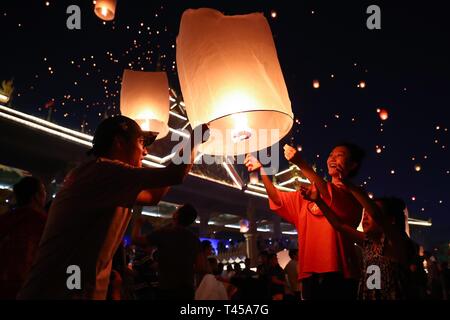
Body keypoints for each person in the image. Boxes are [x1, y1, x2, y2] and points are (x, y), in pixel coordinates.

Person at [17, 116, 208, 300]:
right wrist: (194, 140)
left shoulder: (107, 179)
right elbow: (173, 174)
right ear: (118, 143)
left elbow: (153, 195)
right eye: (142, 143)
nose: (146, 152)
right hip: (61, 291)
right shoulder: (103, 171)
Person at [245, 143, 365, 299]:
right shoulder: (307, 197)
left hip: (340, 272)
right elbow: (276, 198)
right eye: (330, 155)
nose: (332, 158)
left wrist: (300, 163)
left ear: (353, 164)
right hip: (310, 274)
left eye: (339, 155)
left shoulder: (353, 196)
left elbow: (329, 195)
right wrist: (262, 170)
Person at [300, 178, 416, 300]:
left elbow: (377, 215)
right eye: (364, 213)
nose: (365, 217)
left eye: (369, 213)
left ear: (390, 220)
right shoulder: (369, 244)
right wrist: (318, 201)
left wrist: (347, 183)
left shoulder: (396, 241)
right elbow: (339, 225)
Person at [132, 203, 205, 300]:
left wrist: (138, 224)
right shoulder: (195, 239)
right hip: (187, 290)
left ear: (176, 215)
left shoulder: (164, 233)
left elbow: (136, 240)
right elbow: (201, 267)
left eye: (177, 209)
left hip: (167, 288)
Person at [0, 176, 47, 299]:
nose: (45, 195)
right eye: (43, 191)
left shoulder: (6, 218)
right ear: (36, 196)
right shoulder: (44, 224)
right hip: (26, 287)